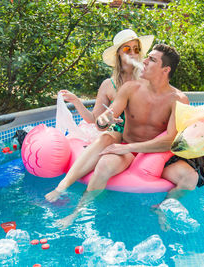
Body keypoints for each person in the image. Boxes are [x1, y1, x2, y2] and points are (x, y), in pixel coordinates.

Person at [57, 43, 192, 228]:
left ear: (165, 69)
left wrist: (129, 147)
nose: (143, 60)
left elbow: (169, 140)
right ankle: (77, 213)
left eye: (151, 59)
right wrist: (104, 120)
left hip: (152, 155)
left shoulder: (178, 99)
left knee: (189, 178)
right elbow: (102, 121)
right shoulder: (130, 88)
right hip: (128, 151)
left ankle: (162, 208)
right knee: (104, 164)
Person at [45, 29, 154, 202]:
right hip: (116, 135)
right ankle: (61, 188)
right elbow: (93, 120)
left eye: (136, 49)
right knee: (105, 136)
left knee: (109, 138)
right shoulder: (108, 85)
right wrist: (76, 101)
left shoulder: (148, 80)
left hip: (138, 138)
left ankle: (69, 196)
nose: (133, 53)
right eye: (127, 49)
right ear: (119, 53)